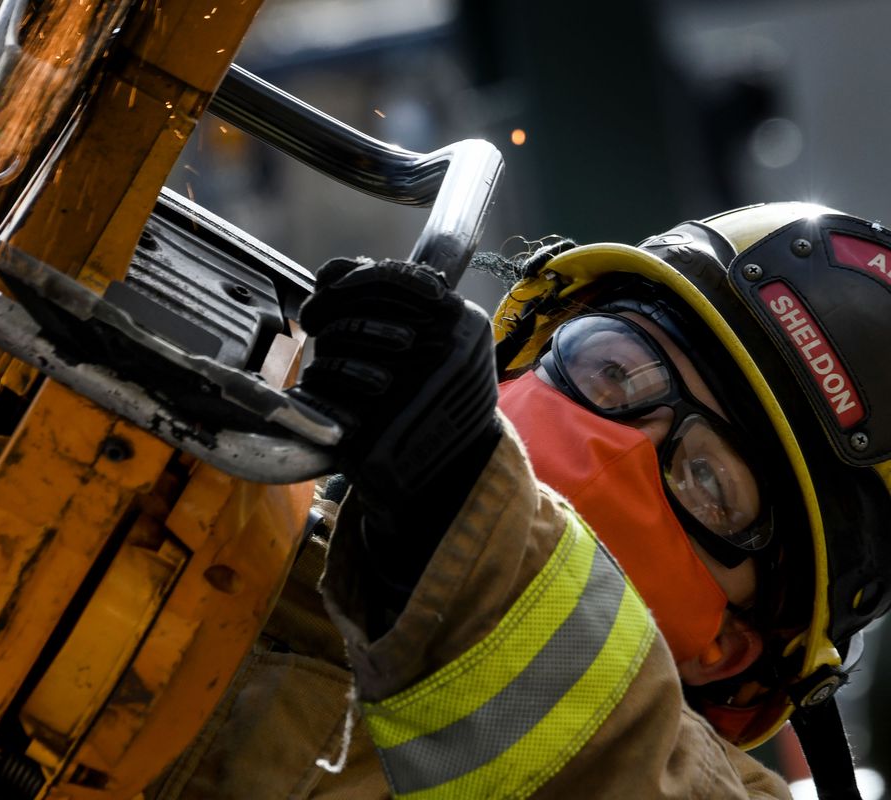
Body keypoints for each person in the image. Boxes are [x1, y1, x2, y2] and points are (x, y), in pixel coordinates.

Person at [284, 200, 891, 799]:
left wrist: (457, 521)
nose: (617, 443)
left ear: (728, 650)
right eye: (615, 370)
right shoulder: (264, 494)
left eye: (708, 482)